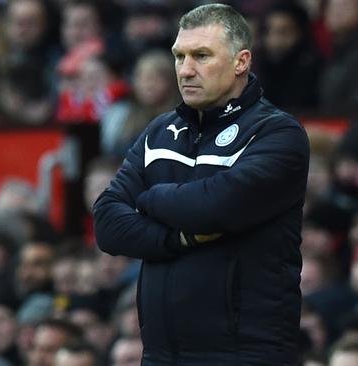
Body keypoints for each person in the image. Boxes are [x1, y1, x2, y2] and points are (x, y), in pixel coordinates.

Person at [93, 4, 309, 365]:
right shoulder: (159, 132)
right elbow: (107, 223)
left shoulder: (278, 133)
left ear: (241, 62)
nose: (186, 70)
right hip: (162, 355)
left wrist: (149, 198)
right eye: (179, 57)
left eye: (201, 56)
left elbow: (213, 208)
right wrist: (174, 238)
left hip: (247, 354)